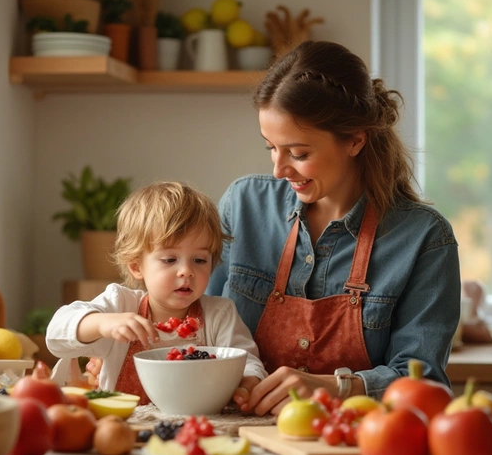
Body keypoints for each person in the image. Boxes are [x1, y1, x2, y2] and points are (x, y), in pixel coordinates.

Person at [206, 40, 461, 416]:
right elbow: (197, 328)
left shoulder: (424, 239)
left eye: (299, 154)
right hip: (239, 438)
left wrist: (334, 387)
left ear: (356, 139)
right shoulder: (244, 206)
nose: (279, 170)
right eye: (270, 149)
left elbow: (423, 383)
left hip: (358, 449)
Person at [46, 181, 267, 405]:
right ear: (136, 266)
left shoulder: (219, 314)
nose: (187, 271)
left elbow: (248, 362)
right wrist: (103, 323)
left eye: (199, 260)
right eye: (170, 259)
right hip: (125, 428)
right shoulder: (120, 305)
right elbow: (56, 337)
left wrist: (248, 382)